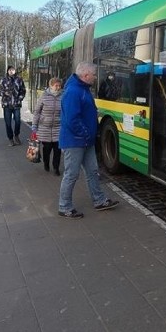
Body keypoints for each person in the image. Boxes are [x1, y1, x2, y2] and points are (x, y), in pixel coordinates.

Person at [57, 61, 118, 218]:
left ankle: (99, 200)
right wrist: (85, 133)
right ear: (85, 75)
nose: (95, 78)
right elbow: (71, 120)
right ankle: (64, 206)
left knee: (93, 171)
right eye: (93, 75)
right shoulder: (74, 91)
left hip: (85, 141)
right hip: (75, 141)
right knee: (71, 174)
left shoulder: (81, 89)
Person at [32, 77, 63, 175]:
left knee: (57, 150)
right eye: (56, 86)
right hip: (44, 128)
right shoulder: (44, 96)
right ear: (51, 86)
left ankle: (56, 168)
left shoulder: (63, 96)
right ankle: (46, 163)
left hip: (58, 127)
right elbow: (37, 112)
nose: (58, 88)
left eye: (59, 85)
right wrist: (34, 126)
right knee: (47, 149)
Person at [0, 65, 26, 146]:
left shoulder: (19, 80)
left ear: (15, 71)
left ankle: (16, 135)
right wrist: (4, 93)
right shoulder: (3, 80)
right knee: (8, 123)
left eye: (13, 70)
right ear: (7, 71)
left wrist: (20, 98)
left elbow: (23, 90)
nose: (11, 71)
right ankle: (10, 139)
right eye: (10, 70)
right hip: (7, 105)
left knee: (17, 121)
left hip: (16, 105)